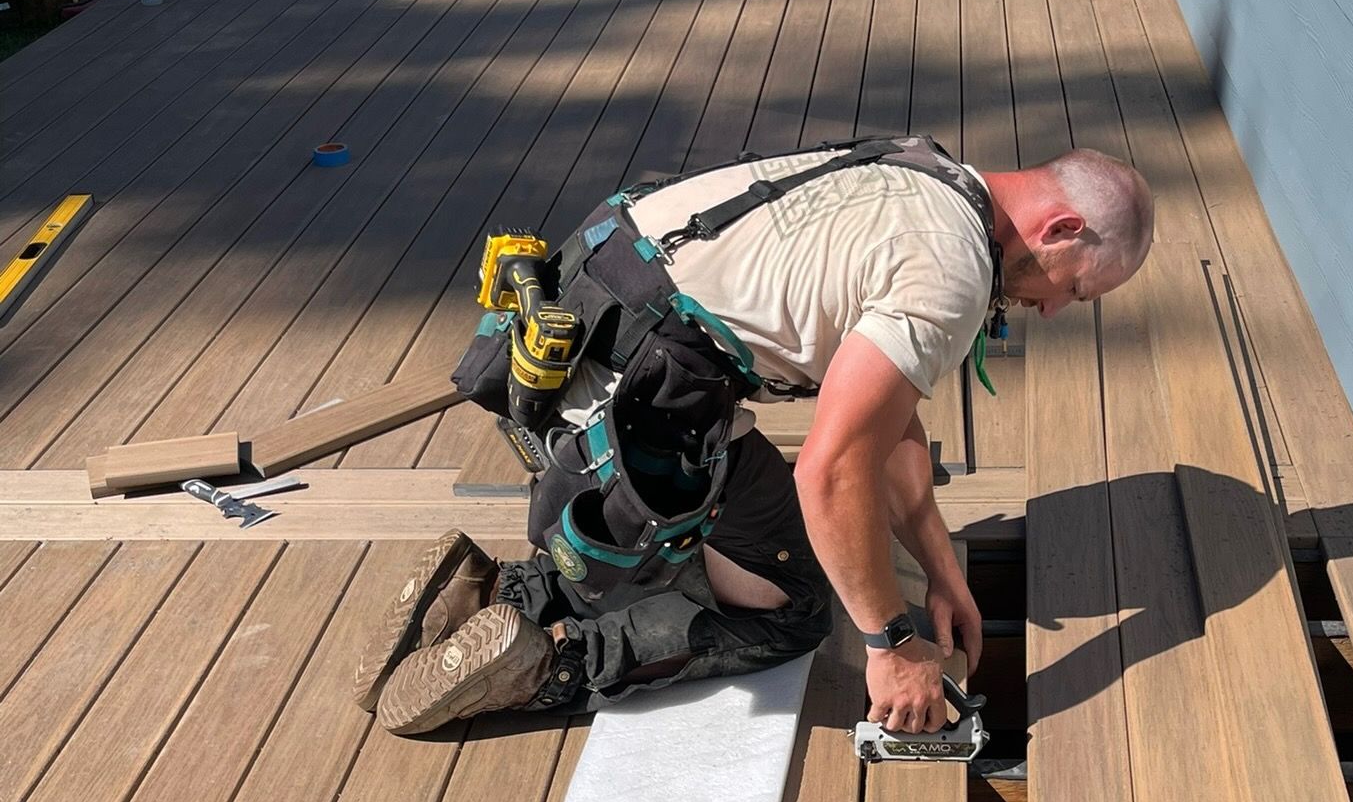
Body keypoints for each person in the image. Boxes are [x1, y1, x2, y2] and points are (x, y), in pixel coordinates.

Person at [353, 136, 1154, 737]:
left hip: (574, 321)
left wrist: (943, 571)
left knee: (749, 545)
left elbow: (889, 424)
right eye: (1075, 290)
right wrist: (893, 645)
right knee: (796, 608)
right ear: (1061, 228)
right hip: (630, 400)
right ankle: (546, 663)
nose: (1054, 311)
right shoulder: (951, 272)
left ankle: (495, 590)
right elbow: (833, 470)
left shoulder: (927, 170)